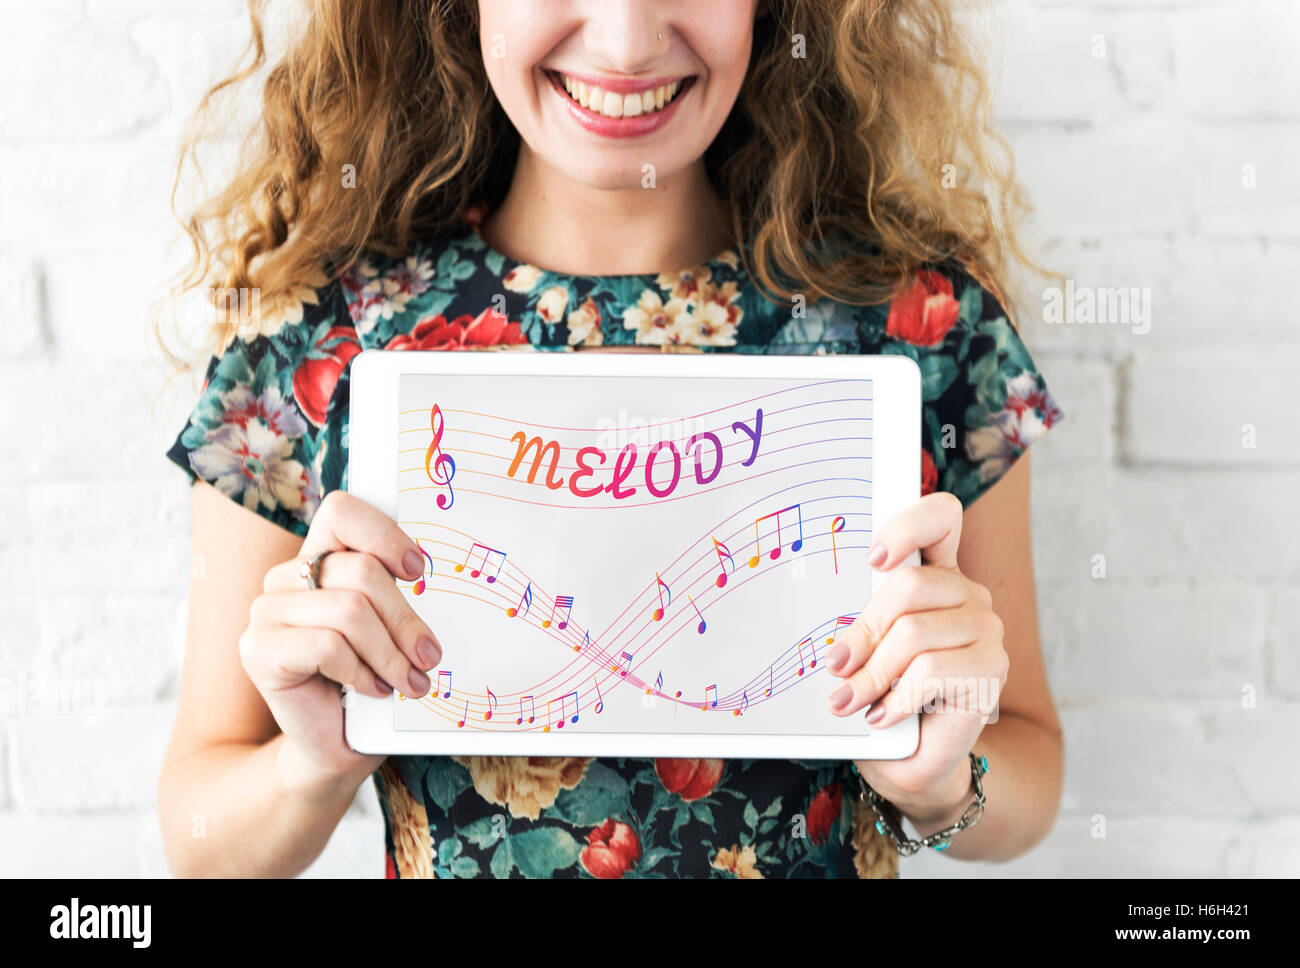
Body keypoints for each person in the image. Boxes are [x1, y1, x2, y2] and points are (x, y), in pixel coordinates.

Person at [157, 0, 1065, 878]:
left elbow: (1030, 766)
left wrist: (942, 781)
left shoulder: (929, 325)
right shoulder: (318, 338)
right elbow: (200, 842)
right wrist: (312, 764)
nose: (626, 41)